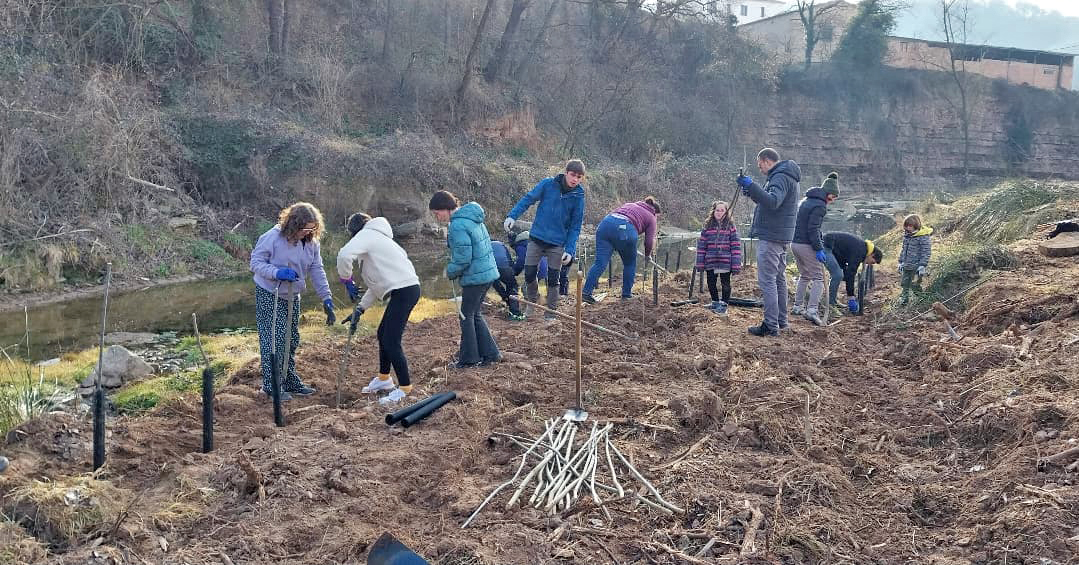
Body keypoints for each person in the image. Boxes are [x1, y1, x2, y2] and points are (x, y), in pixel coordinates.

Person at [250, 202, 335, 400]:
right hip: (269, 292)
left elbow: (317, 269)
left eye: (312, 229)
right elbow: (255, 263)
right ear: (293, 224)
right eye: (304, 228)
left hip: (291, 295)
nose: (307, 233)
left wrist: (326, 298)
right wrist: (276, 272)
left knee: (291, 339)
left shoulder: (311, 243)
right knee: (274, 341)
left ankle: (289, 380)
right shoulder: (271, 238)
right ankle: (271, 386)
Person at [336, 212, 422, 405]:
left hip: (405, 291)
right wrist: (359, 309)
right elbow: (378, 285)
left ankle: (405, 388)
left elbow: (343, 256)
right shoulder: (379, 240)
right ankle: (384, 380)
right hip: (405, 289)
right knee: (382, 334)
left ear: (355, 232)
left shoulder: (368, 235)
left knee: (391, 340)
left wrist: (346, 279)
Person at [504, 160, 586, 319]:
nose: (575, 179)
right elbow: (528, 199)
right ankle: (531, 303)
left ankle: (551, 311)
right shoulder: (548, 184)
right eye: (572, 175)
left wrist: (569, 249)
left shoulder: (578, 197)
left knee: (554, 278)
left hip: (557, 243)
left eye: (579, 177)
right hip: (536, 237)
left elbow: (575, 227)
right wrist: (512, 216)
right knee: (529, 274)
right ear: (566, 172)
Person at [430, 190, 501, 368]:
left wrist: (450, 271)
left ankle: (469, 360)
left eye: (437, 213)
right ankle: (491, 354)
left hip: (475, 277)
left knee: (466, 316)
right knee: (474, 314)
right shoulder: (473, 218)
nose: (437, 217)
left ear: (446, 208)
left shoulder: (457, 225)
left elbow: (463, 258)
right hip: (487, 274)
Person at [736, 148, 801, 337]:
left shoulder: (779, 177)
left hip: (772, 237)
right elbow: (771, 202)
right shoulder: (786, 176)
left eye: (760, 165)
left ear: (766, 161)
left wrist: (752, 185)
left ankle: (771, 325)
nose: (760, 169)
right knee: (778, 279)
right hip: (781, 236)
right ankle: (781, 321)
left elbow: (773, 202)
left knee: (768, 281)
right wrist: (751, 190)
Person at [582, 197, 661, 303]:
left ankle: (586, 292)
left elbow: (617, 220)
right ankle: (626, 295)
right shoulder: (652, 217)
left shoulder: (630, 204)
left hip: (605, 225)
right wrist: (647, 255)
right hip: (625, 230)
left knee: (600, 263)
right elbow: (649, 241)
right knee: (629, 264)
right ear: (655, 211)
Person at [790, 172, 839, 326]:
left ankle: (798, 307)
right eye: (834, 197)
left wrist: (820, 240)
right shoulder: (820, 206)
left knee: (804, 275)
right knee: (818, 278)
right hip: (806, 244)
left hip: (794, 243)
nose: (833, 201)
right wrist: (818, 248)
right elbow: (812, 229)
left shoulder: (806, 200)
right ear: (829, 194)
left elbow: (814, 228)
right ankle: (812, 310)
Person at [694, 200, 742, 315]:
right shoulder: (707, 227)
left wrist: (736, 264)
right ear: (713, 211)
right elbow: (702, 246)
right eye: (717, 210)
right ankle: (715, 302)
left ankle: (724, 305)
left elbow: (735, 246)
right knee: (711, 283)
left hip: (725, 261)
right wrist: (700, 263)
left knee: (725, 283)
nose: (719, 213)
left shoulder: (730, 227)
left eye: (722, 210)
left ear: (726, 212)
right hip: (710, 260)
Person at [822, 231, 883, 315]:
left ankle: (833, 301)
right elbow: (851, 273)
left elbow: (843, 256)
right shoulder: (860, 251)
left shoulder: (863, 248)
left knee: (840, 274)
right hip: (826, 245)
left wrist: (845, 272)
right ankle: (830, 304)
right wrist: (851, 296)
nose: (869, 264)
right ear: (872, 255)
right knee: (837, 275)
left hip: (833, 248)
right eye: (872, 262)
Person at [897, 214, 933, 305]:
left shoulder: (923, 237)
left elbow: (926, 252)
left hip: (916, 266)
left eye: (910, 226)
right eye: (906, 226)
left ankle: (922, 300)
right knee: (904, 283)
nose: (908, 228)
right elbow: (904, 250)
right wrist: (901, 262)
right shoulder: (907, 236)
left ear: (916, 225)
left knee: (914, 284)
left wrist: (922, 265)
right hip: (906, 265)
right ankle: (904, 300)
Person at [491, 239, 526, 320]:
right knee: (512, 285)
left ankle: (506, 299)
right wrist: (513, 272)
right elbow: (509, 260)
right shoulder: (502, 245)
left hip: (491, 268)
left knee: (498, 286)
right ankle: (514, 312)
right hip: (505, 267)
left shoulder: (485, 245)